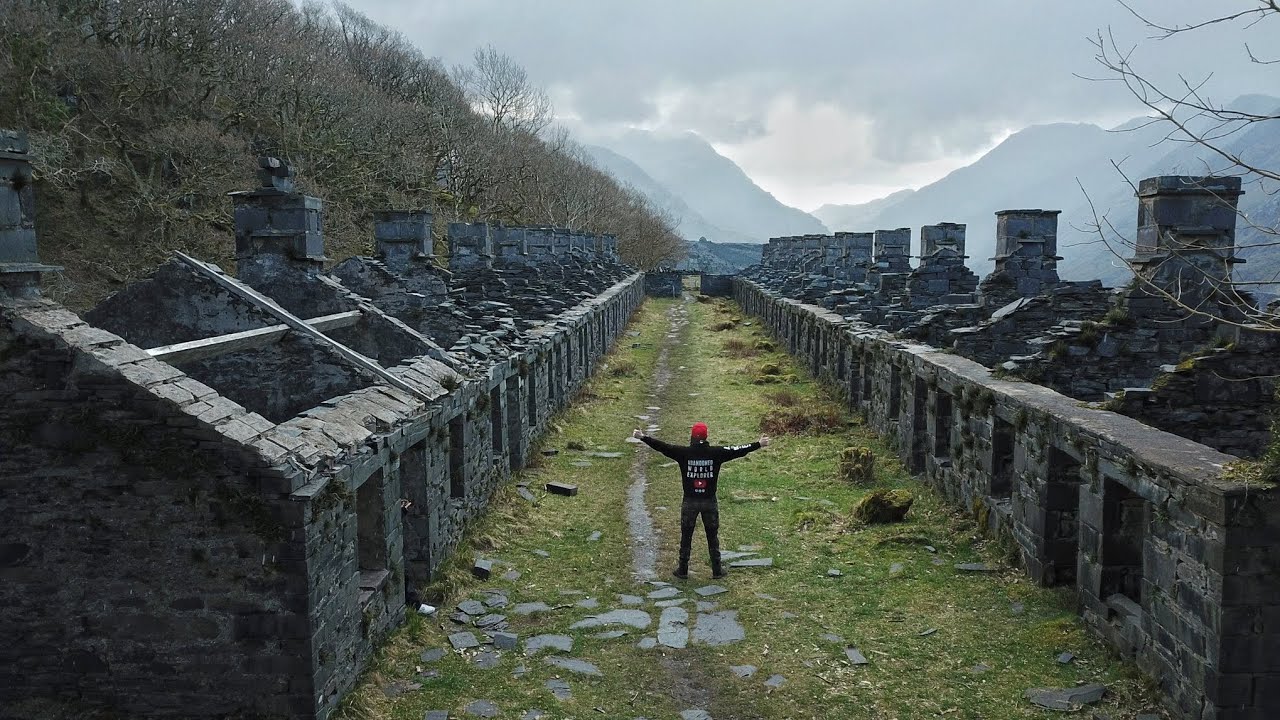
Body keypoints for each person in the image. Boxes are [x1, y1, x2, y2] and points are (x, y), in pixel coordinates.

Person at [632, 422, 771, 579]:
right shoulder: (717, 452)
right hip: (709, 501)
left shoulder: (682, 452)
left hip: (690, 501)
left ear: (692, 436)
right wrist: (758, 444)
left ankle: (682, 570)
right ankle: (717, 570)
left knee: (686, 536)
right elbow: (738, 450)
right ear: (706, 437)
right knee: (712, 536)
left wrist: (643, 437)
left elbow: (662, 446)